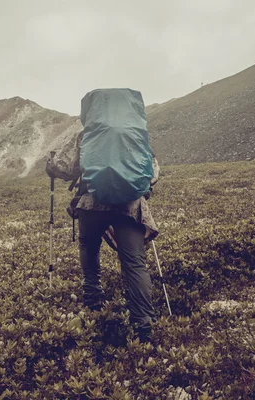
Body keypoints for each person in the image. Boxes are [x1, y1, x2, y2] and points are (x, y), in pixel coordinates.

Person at [45, 115, 160, 343]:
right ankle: (143, 326)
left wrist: (51, 166)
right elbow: (153, 173)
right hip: (129, 205)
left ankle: (93, 302)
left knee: (89, 246)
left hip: (91, 202)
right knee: (135, 263)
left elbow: (70, 170)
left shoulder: (87, 135)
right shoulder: (136, 135)